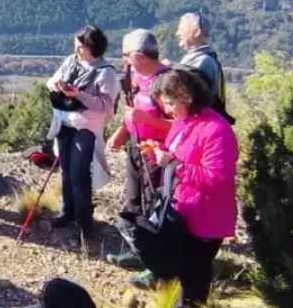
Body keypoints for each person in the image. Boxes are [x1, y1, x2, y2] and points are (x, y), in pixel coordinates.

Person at [127, 69, 239, 305]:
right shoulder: (183, 122)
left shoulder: (216, 130)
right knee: (182, 276)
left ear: (186, 97)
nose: (167, 110)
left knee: (193, 283)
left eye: (170, 103)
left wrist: (175, 165)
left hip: (206, 221)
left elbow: (217, 178)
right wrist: (160, 153)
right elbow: (180, 155)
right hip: (184, 211)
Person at [44, 26, 118, 237]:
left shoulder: (106, 72)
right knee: (66, 169)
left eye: (80, 47)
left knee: (79, 173)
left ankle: (85, 224)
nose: (75, 51)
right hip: (65, 122)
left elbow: (105, 106)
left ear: (91, 48)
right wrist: (57, 85)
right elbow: (52, 80)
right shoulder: (71, 61)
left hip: (86, 127)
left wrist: (80, 96)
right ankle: (68, 212)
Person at [107, 29, 172, 270]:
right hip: (137, 147)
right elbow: (132, 113)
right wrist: (122, 133)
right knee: (134, 201)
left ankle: (155, 264)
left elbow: (183, 126)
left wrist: (146, 119)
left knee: (151, 204)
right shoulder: (135, 77)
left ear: (140, 55)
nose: (123, 59)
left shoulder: (167, 83)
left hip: (158, 155)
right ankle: (136, 251)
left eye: (125, 54)